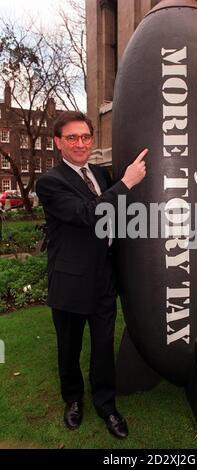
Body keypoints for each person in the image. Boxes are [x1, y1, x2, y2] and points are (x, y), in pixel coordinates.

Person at [36, 111, 147, 439]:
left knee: (102, 347)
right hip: (69, 282)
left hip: (103, 279)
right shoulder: (50, 182)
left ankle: (106, 405)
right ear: (58, 143)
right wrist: (126, 182)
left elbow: (119, 211)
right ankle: (73, 399)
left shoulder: (100, 172)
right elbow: (89, 214)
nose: (80, 143)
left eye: (85, 137)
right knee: (68, 348)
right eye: (72, 137)